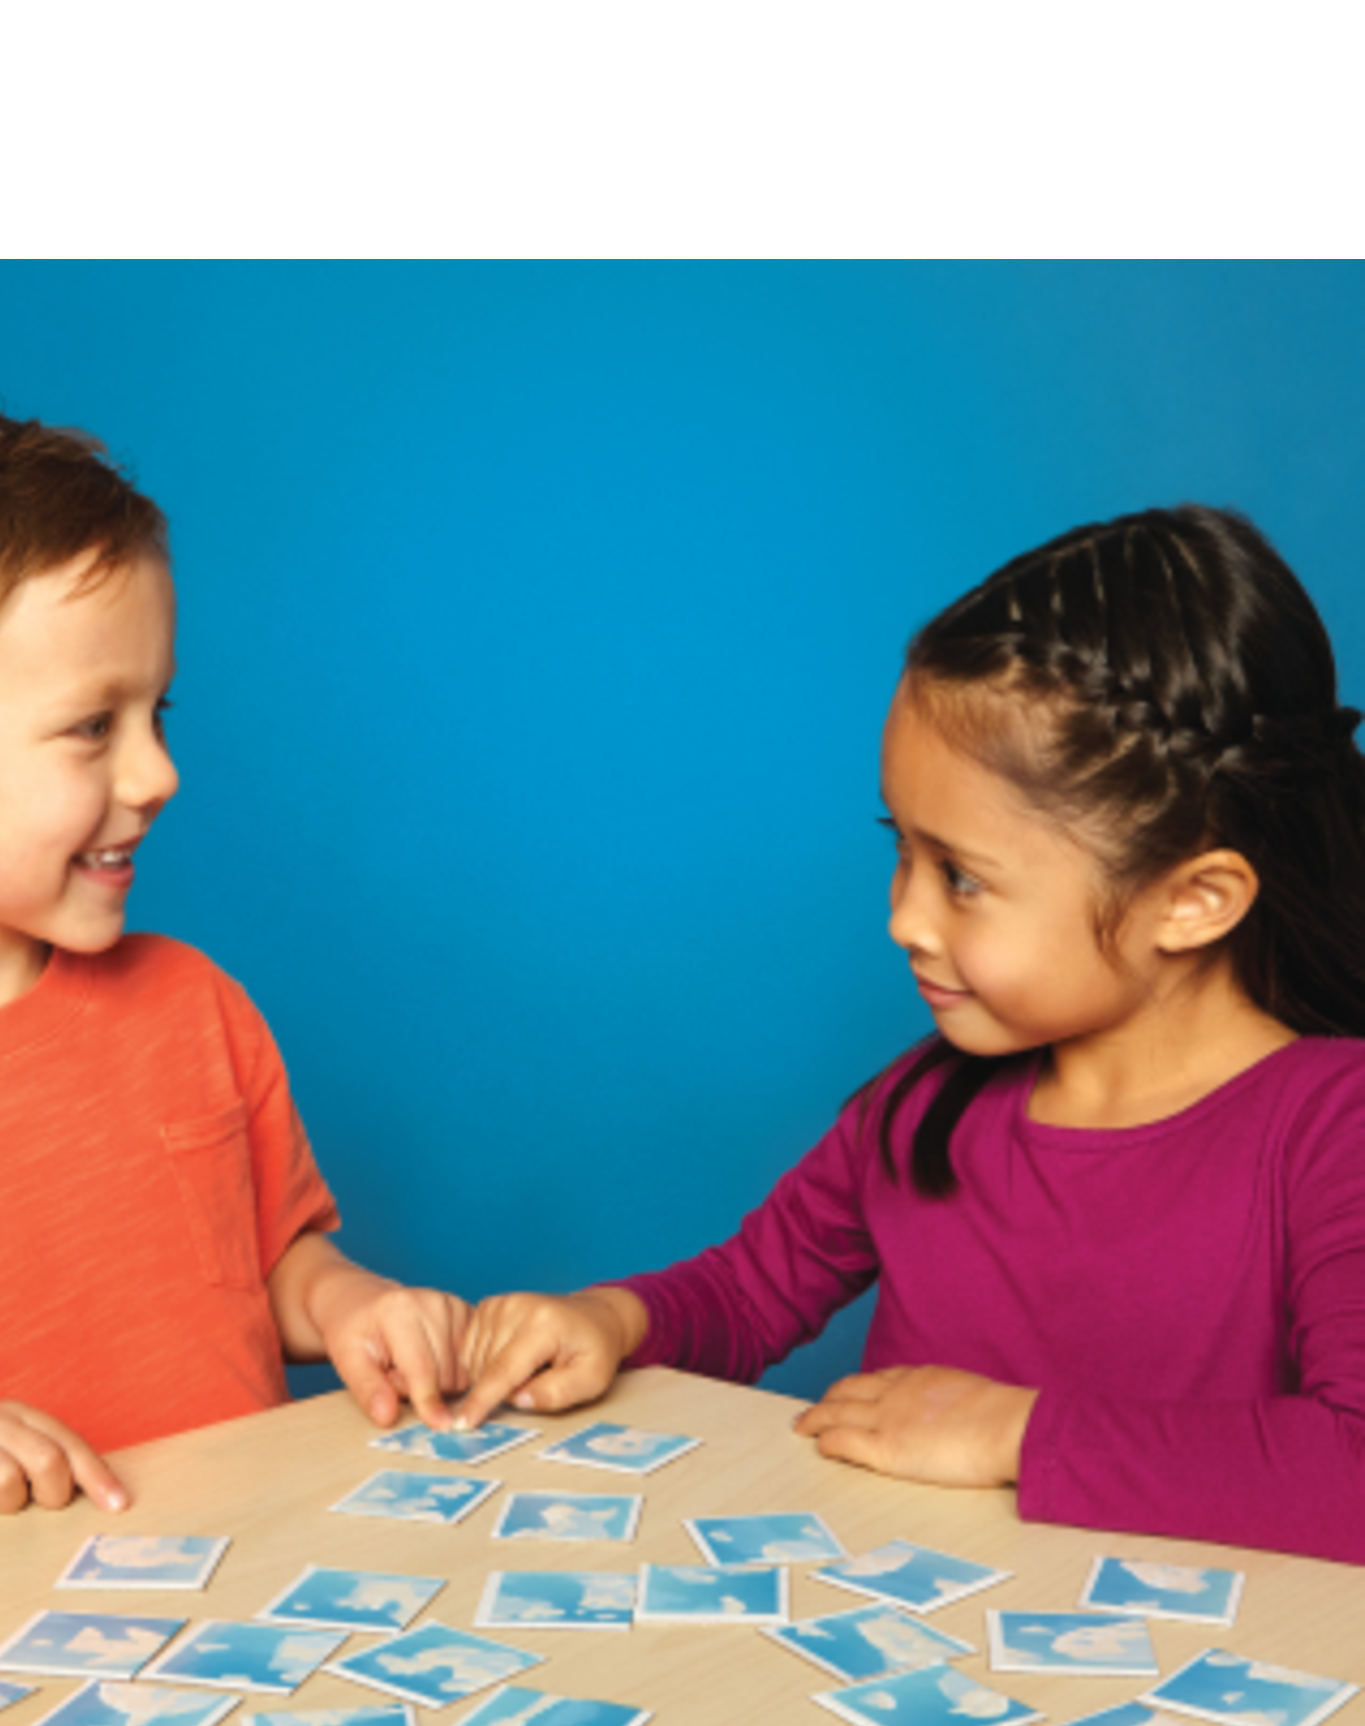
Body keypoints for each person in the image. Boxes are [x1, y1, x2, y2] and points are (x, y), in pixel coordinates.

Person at [458, 506, 1365, 1565]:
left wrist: (1012, 1433)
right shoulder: (923, 1100)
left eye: (962, 878)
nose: (902, 919)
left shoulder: (1328, 1127)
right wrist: (611, 1322)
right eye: (903, 851)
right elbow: (749, 1294)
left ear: (1193, 901)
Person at [0, 383, 470, 1554]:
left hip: (235, 1636)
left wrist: (343, 1300)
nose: (157, 773)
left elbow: (258, 1261)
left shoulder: (189, 1009)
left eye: (156, 713)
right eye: (90, 727)